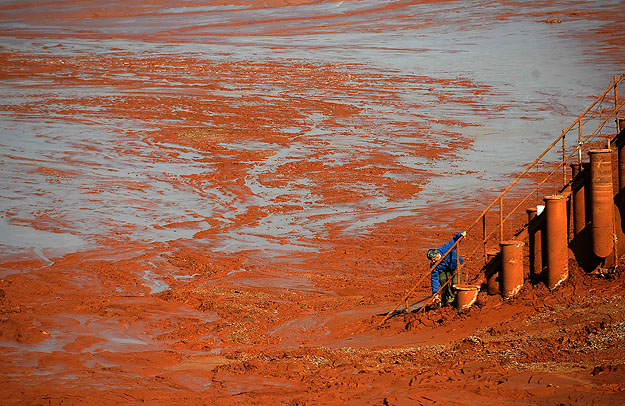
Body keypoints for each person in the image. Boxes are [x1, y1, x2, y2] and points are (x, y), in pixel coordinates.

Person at [427, 231, 466, 307]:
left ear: (437, 254)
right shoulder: (434, 265)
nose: (433, 261)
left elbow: (454, 241)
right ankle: (446, 299)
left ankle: (454, 298)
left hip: (456, 265)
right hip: (444, 269)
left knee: (455, 284)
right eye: (432, 260)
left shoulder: (444, 249)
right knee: (442, 280)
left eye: (434, 259)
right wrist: (435, 293)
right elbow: (434, 278)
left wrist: (461, 234)